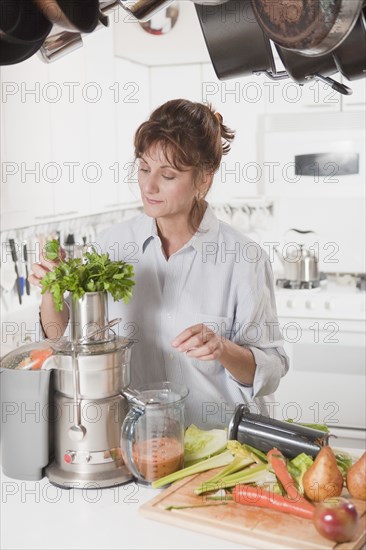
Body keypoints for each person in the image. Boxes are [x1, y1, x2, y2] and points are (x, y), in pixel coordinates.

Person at [29, 98, 289, 429]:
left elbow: (271, 370)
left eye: (167, 175)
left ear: (204, 179)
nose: (149, 186)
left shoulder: (242, 258)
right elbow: (59, 336)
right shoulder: (111, 246)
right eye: (143, 168)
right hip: (139, 444)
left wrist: (222, 349)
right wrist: (51, 288)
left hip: (220, 450)